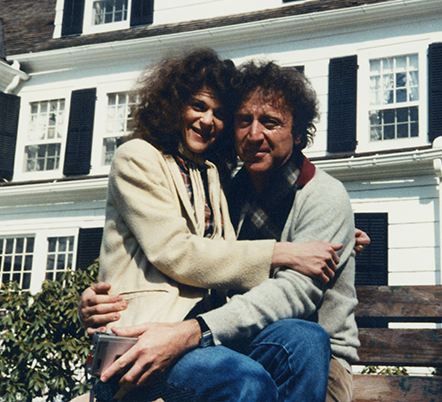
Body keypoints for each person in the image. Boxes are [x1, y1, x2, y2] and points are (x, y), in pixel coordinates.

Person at [82, 60, 360, 402]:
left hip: (311, 356)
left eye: (270, 123)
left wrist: (345, 236)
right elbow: (177, 250)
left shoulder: (320, 195)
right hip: (199, 338)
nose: (254, 134)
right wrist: (283, 251)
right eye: (244, 121)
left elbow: (293, 292)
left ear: (299, 133)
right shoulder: (229, 187)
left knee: (305, 338)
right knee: (246, 380)